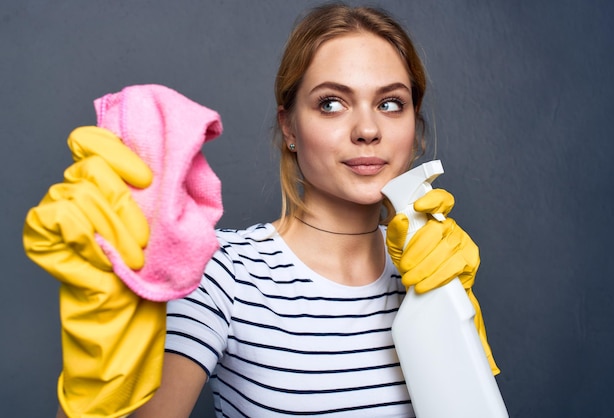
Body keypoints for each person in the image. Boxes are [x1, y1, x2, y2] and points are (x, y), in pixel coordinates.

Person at [25, 3, 498, 417]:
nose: (367, 129)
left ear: (414, 127)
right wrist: (99, 378)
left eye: (391, 103)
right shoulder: (223, 274)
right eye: (331, 103)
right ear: (289, 126)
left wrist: (452, 321)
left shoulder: (435, 268)